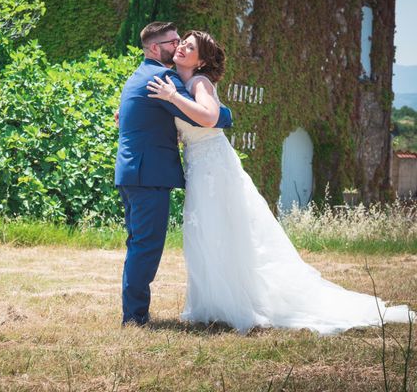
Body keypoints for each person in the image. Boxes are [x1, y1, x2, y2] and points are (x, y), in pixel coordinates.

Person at [146, 30, 414, 334]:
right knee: (205, 232)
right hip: (198, 164)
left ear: (203, 59)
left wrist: (172, 98)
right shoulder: (179, 82)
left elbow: (209, 117)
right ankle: (212, 304)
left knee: (220, 229)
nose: (181, 47)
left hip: (213, 166)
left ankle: (236, 304)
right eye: (182, 43)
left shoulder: (199, 83)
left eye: (189, 46)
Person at [115, 22, 233, 326]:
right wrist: (227, 114)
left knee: (138, 243)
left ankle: (133, 312)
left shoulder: (138, 75)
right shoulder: (162, 77)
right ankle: (135, 317)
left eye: (184, 42)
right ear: (156, 48)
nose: (179, 45)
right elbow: (209, 117)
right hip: (149, 175)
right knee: (146, 246)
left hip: (132, 173)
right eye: (174, 41)